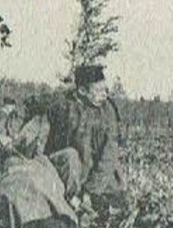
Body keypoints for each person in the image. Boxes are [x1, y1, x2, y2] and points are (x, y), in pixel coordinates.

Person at [46, 64, 126, 207]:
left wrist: (90, 192)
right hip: (70, 182)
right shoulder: (64, 107)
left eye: (105, 89)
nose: (104, 94)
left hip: (101, 185)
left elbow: (109, 154)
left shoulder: (107, 111)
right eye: (98, 90)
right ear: (82, 91)